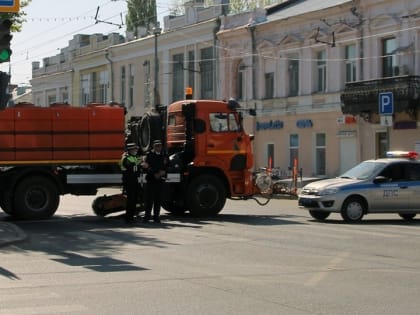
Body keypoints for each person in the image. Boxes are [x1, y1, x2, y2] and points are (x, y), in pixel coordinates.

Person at [143, 140, 167, 223]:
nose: (158, 147)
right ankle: (147, 217)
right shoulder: (149, 155)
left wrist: (164, 172)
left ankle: (156, 216)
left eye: (160, 146)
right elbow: (145, 166)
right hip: (151, 179)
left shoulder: (164, 155)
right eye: (156, 146)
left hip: (160, 180)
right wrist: (154, 173)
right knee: (149, 200)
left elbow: (168, 166)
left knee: (158, 200)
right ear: (153, 146)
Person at [120, 143, 140, 223]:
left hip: (134, 180)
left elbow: (137, 167)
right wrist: (139, 162)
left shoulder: (133, 157)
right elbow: (131, 167)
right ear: (130, 150)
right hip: (129, 181)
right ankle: (128, 218)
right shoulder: (126, 158)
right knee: (130, 200)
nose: (136, 151)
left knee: (134, 199)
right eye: (135, 149)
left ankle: (131, 216)